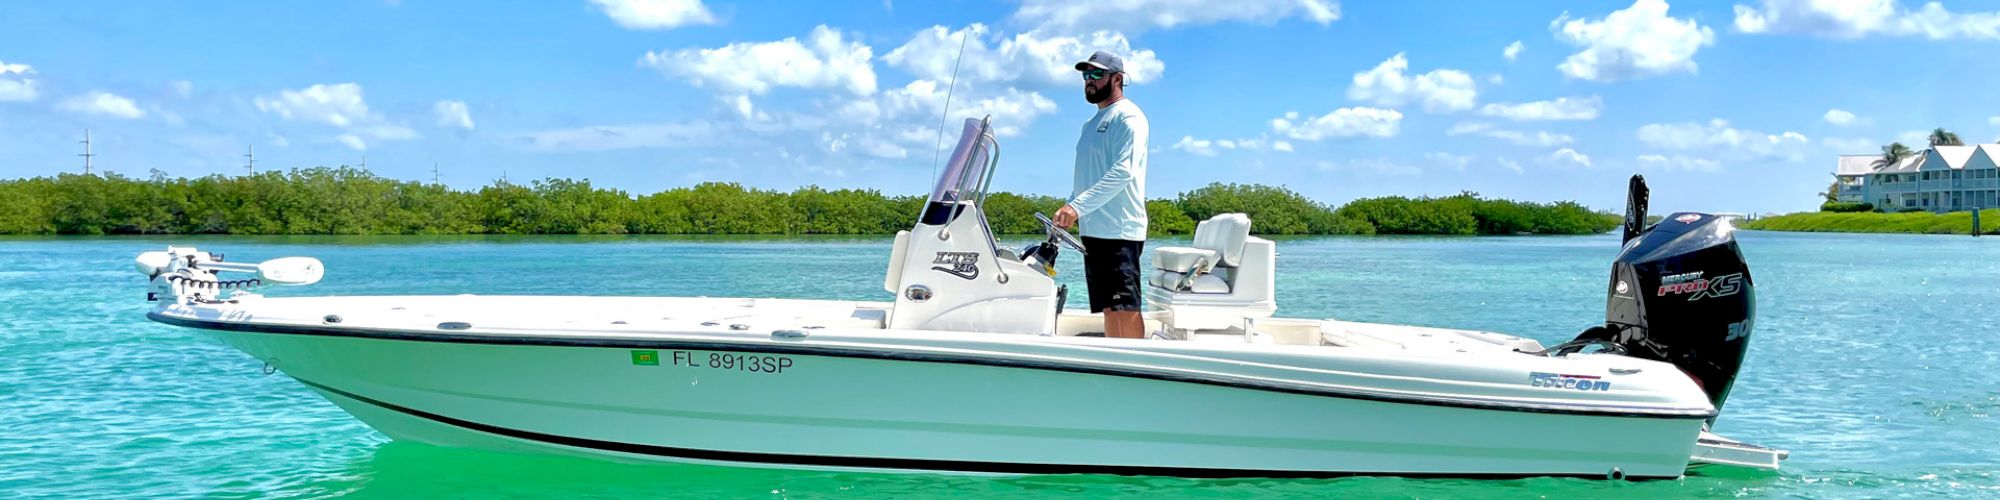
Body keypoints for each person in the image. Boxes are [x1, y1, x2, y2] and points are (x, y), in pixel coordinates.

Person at [1053, 50, 1149, 339]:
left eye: (1097, 74)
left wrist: (1077, 208)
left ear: (1118, 79)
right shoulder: (1090, 125)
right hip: (1093, 230)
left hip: (1120, 230)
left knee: (1125, 306)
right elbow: (1087, 179)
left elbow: (1124, 172)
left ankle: (1136, 369)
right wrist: (1070, 206)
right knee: (1108, 306)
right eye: (1085, 76)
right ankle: (1114, 363)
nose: (1089, 81)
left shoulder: (1128, 117)